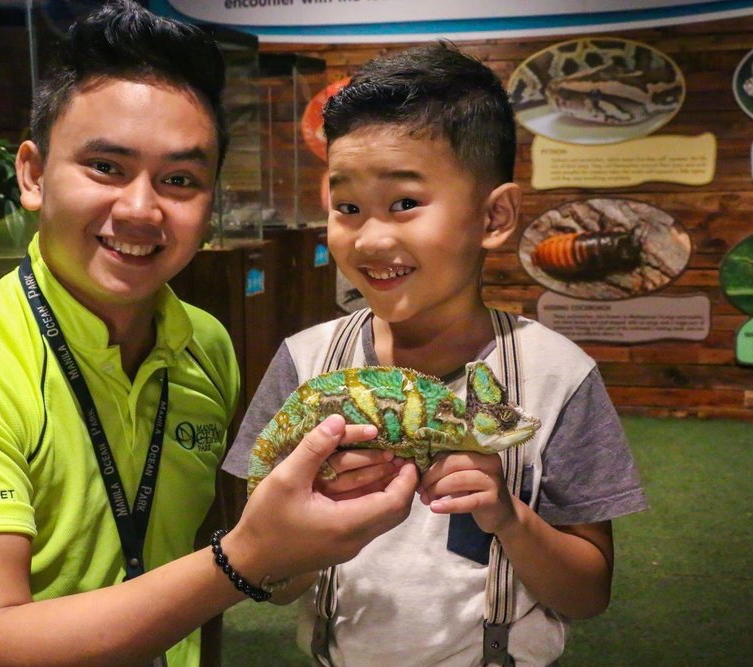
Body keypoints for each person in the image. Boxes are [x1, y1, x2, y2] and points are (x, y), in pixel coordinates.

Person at [0, 3, 417, 665]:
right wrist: (244, 558)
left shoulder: (206, 345)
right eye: (106, 166)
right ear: (33, 175)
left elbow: (206, 571)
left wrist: (308, 527)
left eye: (179, 180)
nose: (139, 209)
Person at [223, 42, 649, 666]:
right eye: (347, 208)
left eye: (404, 204)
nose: (370, 239)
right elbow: (272, 584)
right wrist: (303, 533)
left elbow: (587, 594)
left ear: (494, 216)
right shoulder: (305, 360)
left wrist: (509, 517)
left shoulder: (559, 375)